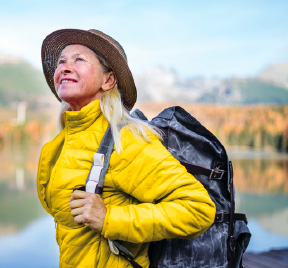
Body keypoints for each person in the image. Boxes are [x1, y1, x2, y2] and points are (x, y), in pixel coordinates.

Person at [37, 29, 216, 268]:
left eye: (79, 59)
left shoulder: (126, 140)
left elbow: (198, 209)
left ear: (108, 80)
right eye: (61, 61)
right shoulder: (54, 149)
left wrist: (109, 218)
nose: (65, 67)